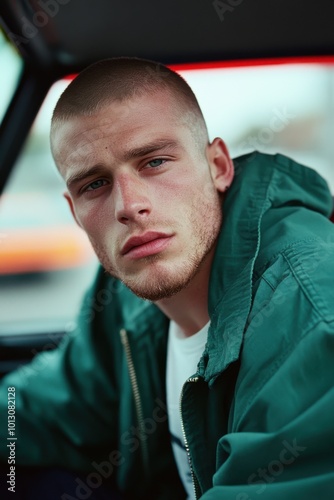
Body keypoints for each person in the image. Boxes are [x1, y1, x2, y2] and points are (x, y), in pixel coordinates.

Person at [1, 57, 334, 500]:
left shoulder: (309, 308)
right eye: (94, 185)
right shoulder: (123, 297)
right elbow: (36, 410)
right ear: (74, 212)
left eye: (155, 161)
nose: (129, 205)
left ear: (217, 165)